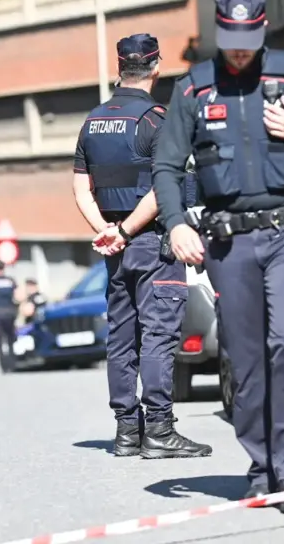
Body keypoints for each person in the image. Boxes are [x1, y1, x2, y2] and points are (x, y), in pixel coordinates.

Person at [152, 0, 284, 512]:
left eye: (249, 40)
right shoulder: (194, 90)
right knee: (245, 364)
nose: (240, 50)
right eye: (231, 40)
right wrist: (176, 223)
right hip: (229, 244)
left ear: (264, 30)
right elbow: (166, 166)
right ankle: (263, 466)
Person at [73, 33, 211, 459]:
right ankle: (160, 431)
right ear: (156, 67)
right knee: (158, 335)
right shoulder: (157, 119)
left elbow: (81, 188)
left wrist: (106, 231)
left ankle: (126, 432)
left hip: (115, 250)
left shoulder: (93, 121)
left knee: (121, 337)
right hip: (149, 243)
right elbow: (162, 186)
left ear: (120, 68)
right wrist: (128, 231)